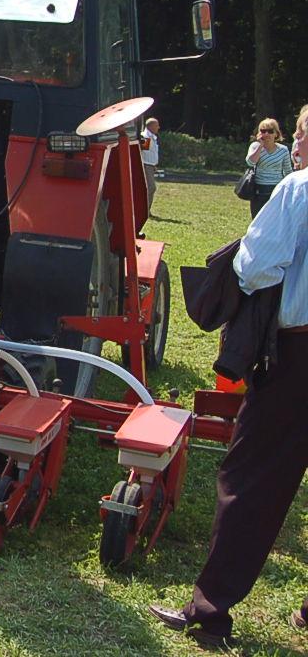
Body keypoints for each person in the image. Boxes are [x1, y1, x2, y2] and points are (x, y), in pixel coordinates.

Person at [149, 164, 308, 648]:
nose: (295, 146)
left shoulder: (300, 187)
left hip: (300, 355)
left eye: (301, 137)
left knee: (252, 479)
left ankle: (210, 612)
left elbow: (257, 265)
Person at [245, 118, 292, 217]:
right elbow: (250, 162)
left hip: (276, 189)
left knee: (274, 219)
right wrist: (260, 145)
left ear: (276, 134)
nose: (266, 134)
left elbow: (288, 171)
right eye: (263, 131)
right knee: (257, 219)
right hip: (258, 189)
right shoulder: (255, 146)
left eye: (270, 131)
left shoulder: (283, 150)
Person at [140, 117, 160, 208]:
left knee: (150, 188)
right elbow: (142, 151)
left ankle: (147, 210)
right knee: (151, 188)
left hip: (151, 165)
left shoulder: (152, 137)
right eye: (156, 125)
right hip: (146, 165)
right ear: (150, 126)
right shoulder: (146, 137)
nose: (158, 127)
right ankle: (145, 210)